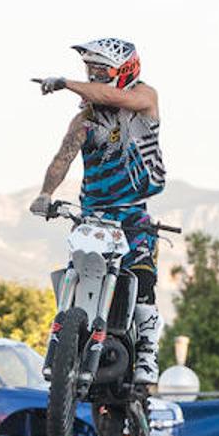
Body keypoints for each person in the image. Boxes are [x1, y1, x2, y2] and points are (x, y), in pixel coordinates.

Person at [31, 37, 166, 385]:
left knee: (142, 277)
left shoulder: (142, 100)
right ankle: (64, 341)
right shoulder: (84, 121)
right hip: (93, 214)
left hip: (132, 211)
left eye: (100, 72)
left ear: (123, 72)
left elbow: (116, 97)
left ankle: (148, 353)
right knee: (76, 268)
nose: (93, 78)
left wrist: (64, 83)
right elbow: (63, 157)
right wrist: (46, 194)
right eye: (89, 71)